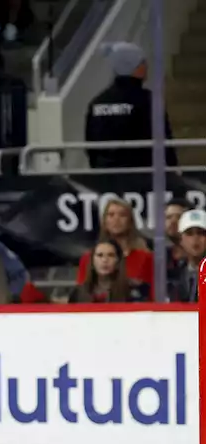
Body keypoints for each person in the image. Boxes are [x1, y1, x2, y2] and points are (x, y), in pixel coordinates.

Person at [85, 42, 176, 171]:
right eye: (143, 62)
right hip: (142, 178)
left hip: (105, 178)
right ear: (136, 67)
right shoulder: (148, 100)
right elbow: (163, 140)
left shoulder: (97, 102)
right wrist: (172, 168)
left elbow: (91, 146)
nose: (147, 66)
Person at [74, 198, 154, 287]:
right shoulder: (88, 259)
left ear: (130, 221)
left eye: (122, 215)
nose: (116, 219)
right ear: (104, 221)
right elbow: (81, 294)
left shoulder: (146, 258)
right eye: (111, 215)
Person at [75, 239, 150, 303]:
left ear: (118, 261)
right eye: (100, 255)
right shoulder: (79, 292)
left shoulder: (134, 290)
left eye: (110, 255)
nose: (105, 260)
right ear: (92, 261)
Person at [170, 209, 207, 302]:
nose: (195, 238)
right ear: (181, 240)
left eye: (201, 233)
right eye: (189, 233)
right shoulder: (174, 274)